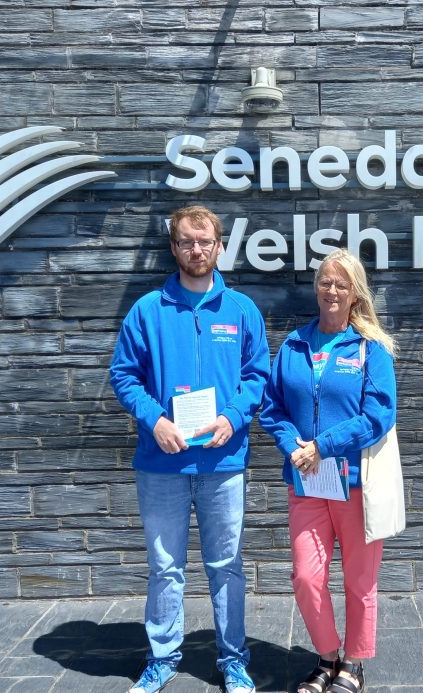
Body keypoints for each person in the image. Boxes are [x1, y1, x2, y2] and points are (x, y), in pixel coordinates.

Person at [109, 205, 269, 693]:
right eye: (186, 242)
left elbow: (258, 376)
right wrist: (154, 419)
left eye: (204, 242)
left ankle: (233, 660)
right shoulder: (147, 310)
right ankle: (162, 658)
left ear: (220, 246)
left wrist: (233, 417)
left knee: (227, 566)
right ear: (174, 246)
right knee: (164, 567)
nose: (196, 250)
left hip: (223, 461)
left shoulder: (241, 310)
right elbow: (123, 375)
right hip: (162, 464)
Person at [259, 249, 398, 693]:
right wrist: (292, 446)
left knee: (360, 582)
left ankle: (353, 664)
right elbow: (271, 405)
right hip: (307, 483)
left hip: (356, 483)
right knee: (305, 577)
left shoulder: (370, 348)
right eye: (324, 282)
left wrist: (324, 445)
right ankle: (327, 656)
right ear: (315, 288)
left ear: (355, 293)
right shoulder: (295, 345)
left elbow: (379, 414)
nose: (332, 290)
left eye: (341, 283)